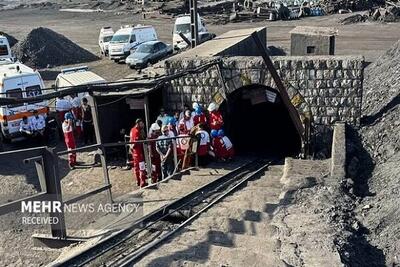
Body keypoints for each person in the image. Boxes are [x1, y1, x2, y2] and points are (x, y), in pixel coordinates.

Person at [130, 118, 148, 187]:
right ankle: (142, 182)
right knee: (142, 167)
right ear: (137, 124)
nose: (142, 125)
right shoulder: (137, 131)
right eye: (141, 124)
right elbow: (136, 142)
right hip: (138, 152)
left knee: (136, 167)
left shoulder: (132, 129)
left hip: (134, 153)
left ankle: (138, 181)